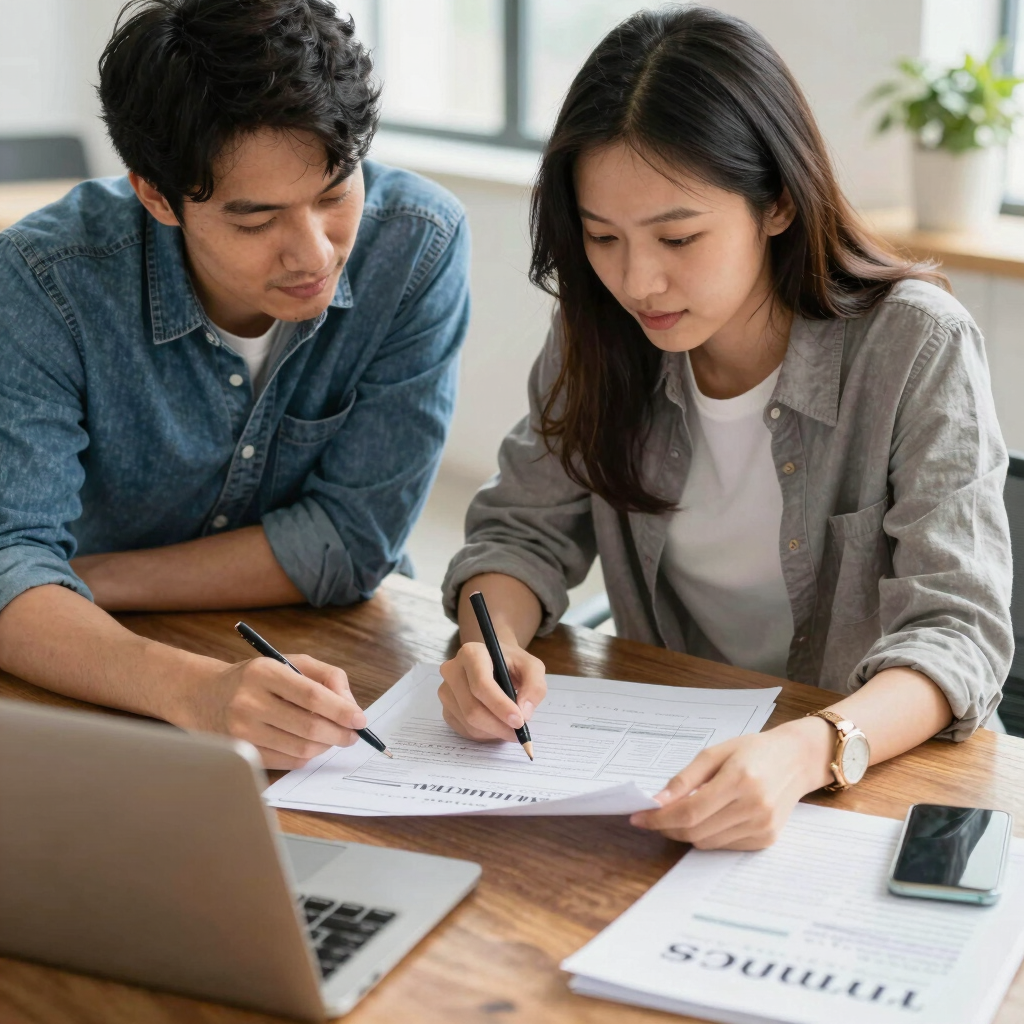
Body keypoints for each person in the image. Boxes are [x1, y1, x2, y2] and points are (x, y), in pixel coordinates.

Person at [438, 6, 1012, 850]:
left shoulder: (913, 344)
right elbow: (522, 531)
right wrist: (487, 646)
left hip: (867, 777)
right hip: (675, 772)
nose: (639, 280)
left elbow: (958, 629)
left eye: (678, 236)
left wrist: (806, 751)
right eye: (603, 237)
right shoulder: (601, 333)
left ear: (776, 203)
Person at [0, 0, 469, 769]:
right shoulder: (45, 283)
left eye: (334, 193)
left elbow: (355, 543)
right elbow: (10, 568)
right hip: (102, 684)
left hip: (331, 664)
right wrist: (196, 692)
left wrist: (84, 581)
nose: (313, 253)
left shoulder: (417, 246)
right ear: (156, 196)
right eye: (257, 222)